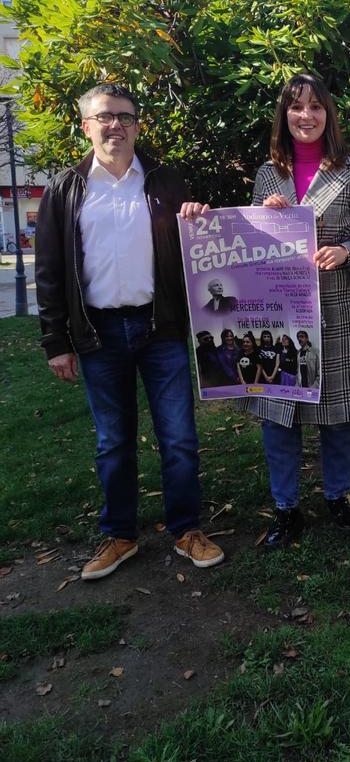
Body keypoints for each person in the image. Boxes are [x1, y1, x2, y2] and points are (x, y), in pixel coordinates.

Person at [35, 83, 224, 579]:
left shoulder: (164, 180)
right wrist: (56, 341)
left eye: (124, 116)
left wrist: (197, 218)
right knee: (112, 442)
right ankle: (119, 535)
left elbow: (195, 243)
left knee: (179, 437)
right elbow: (50, 269)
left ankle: (186, 529)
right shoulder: (65, 189)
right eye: (104, 117)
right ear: (86, 126)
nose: (115, 124)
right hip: (97, 334)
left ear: (138, 125)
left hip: (159, 327)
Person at [250, 73, 350, 548]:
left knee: (337, 414)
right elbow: (250, 245)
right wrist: (265, 214)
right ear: (284, 115)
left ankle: (338, 498)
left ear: (329, 114)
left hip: (337, 306)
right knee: (278, 413)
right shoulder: (268, 172)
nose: (306, 116)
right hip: (281, 311)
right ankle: (286, 509)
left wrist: (347, 250)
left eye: (315, 107)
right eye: (296, 107)